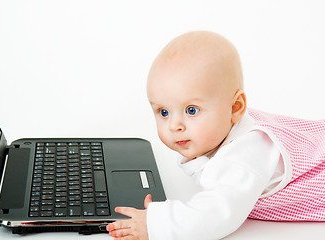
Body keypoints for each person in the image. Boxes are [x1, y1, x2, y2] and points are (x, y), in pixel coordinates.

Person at [106, 31, 325, 240]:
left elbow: (215, 214)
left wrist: (156, 224)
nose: (174, 125)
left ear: (235, 107)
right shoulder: (229, 127)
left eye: (191, 110)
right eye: (163, 112)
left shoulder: (244, 153)